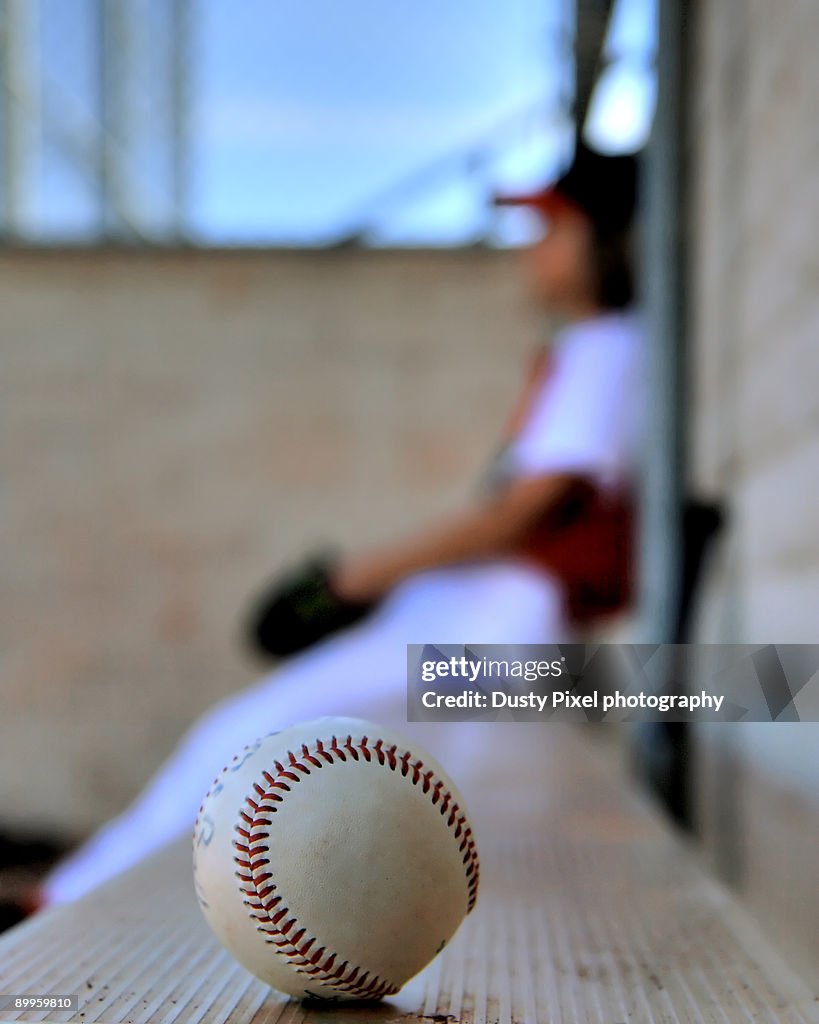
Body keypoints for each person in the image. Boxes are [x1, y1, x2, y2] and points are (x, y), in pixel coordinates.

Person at [42, 143, 643, 905]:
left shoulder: (609, 346)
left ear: (610, 241)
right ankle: (72, 898)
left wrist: (355, 576)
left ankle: (66, 905)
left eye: (555, 231)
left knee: (248, 746)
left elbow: (524, 511)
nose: (536, 250)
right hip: (488, 620)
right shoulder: (598, 348)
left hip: (497, 622)